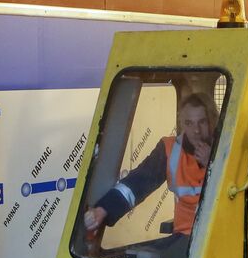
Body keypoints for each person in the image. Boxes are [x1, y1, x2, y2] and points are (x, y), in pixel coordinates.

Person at [83, 91, 216, 240]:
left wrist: (211, 164)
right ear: (181, 123)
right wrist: (103, 209)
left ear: (211, 121)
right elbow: (137, 183)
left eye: (202, 122)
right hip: (184, 239)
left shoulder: (226, 149)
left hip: (217, 236)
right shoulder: (170, 149)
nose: (196, 130)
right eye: (189, 123)